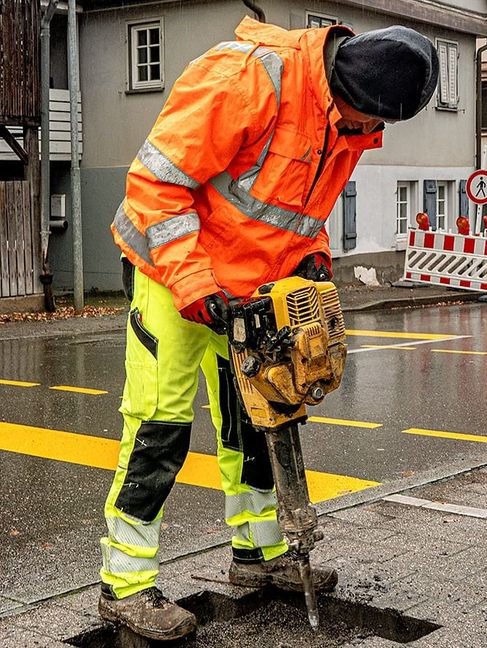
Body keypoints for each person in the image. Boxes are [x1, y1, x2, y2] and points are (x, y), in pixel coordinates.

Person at [103, 17, 438, 640]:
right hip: (169, 269)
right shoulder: (245, 78)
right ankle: (124, 584)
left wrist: (312, 253)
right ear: (349, 94)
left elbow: (296, 208)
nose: (375, 136)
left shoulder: (341, 124)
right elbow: (157, 187)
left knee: (255, 421)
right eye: (373, 123)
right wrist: (195, 284)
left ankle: (256, 555)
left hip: (249, 286)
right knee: (159, 427)